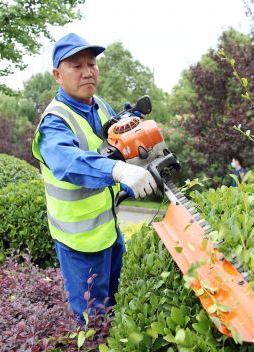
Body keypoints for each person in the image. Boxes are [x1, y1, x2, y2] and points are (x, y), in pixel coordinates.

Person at [31, 33, 157, 324]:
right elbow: (69, 163)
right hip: (79, 243)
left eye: (92, 64)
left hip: (109, 230)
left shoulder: (99, 105)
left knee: (116, 302)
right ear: (57, 75)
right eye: (76, 66)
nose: (87, 71)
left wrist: (137, 156)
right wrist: (118, 171)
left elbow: (114, 145)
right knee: (92, 318)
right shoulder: (55, 122)